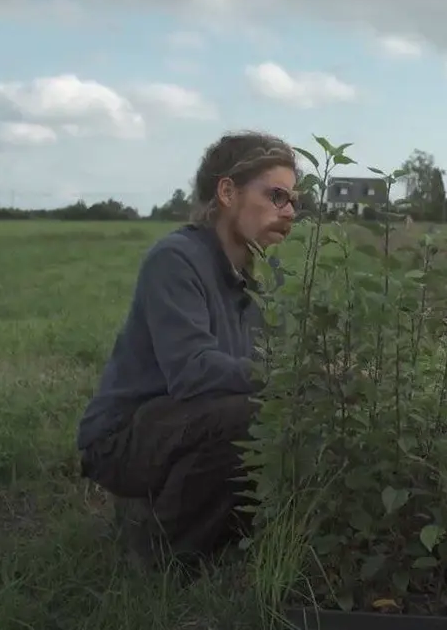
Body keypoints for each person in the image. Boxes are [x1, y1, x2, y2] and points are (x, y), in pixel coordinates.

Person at [76, 131, 299, 571]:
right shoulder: (176, 259)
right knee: (252, 411)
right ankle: (161, 555)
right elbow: (192, 372)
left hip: (186, 423)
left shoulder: (263, 275)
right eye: (276, 196)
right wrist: (289, 377)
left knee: (283, 414)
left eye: (293, 201)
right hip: (125, 437)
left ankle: (213, 528)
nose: (289, 211)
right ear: (227, 191)